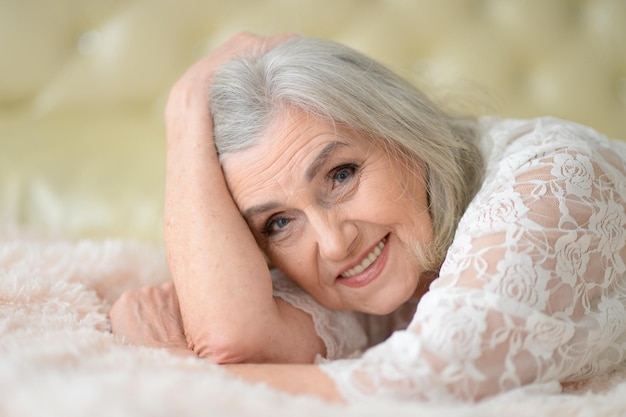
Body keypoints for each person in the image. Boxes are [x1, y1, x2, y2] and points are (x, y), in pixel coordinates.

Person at [109, 32, 626, 403]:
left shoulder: (549, 182)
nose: (334, 245)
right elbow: (236, 338)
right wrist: (185, 133)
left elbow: (419, 387)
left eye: (341, 174)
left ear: (405, 130)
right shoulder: (393, 257)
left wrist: (173, 365)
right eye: (279, 224)